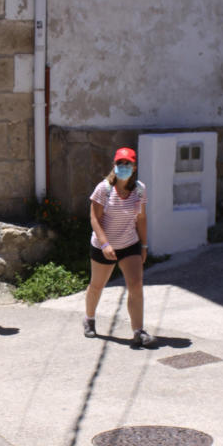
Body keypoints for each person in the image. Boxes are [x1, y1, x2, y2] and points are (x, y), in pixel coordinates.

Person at [82, 147, 155, 347]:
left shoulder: (140, 189)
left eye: (128, 164)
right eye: (120, 164)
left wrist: (144, 245)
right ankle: (89, 318)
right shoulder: (103, 189)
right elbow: (94, 219)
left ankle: (138, 331)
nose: (124, 167)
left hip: (129, 244)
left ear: (134, 167)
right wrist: (105, 244)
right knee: (97, 285)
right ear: (114, 166)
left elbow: (141, 218)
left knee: (136, 285)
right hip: (103, 245)